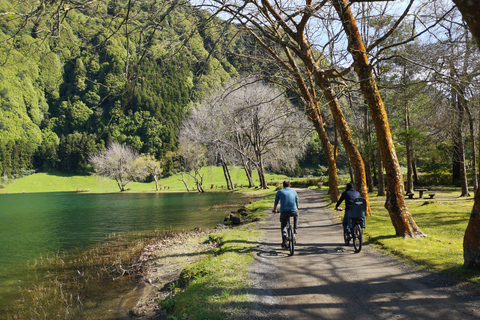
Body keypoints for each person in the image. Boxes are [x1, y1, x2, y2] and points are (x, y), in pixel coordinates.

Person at [272, 180, 299, 248]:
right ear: (290, 186)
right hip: (293, 211)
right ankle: (295, 229)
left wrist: (275, 209)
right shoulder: (294, 192)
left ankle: (284, 241)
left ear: (283, 186)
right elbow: (297, 202)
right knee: (296, 214)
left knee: (284, 225)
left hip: (284, 211)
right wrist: (297, 208)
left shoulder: (280, 192)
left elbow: (276, 202)